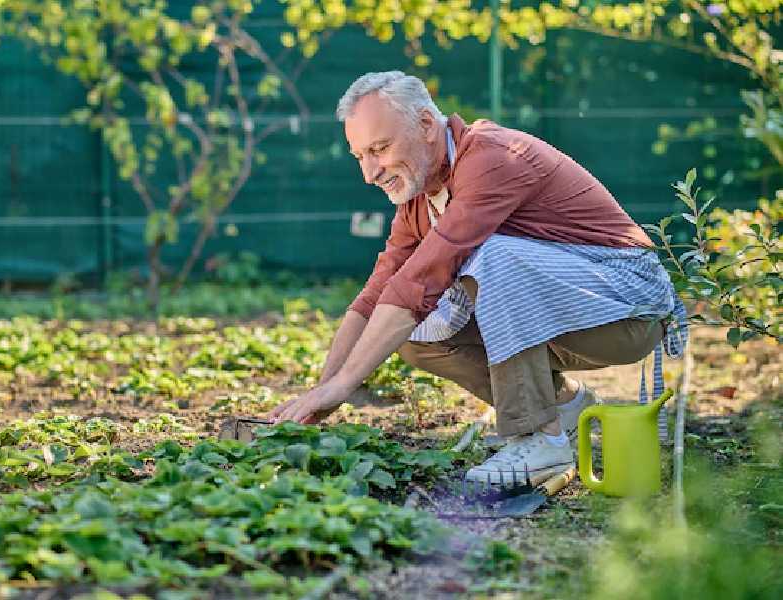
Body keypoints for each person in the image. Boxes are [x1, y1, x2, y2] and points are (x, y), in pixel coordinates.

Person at [268, 71, 685, 483]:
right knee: (413, 337)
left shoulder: (490, 159)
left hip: (626, 308)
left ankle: (541, 440)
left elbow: (420, 281)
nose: (369, 172)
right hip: (566, 313)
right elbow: (377, 294)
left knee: (494, 257)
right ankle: (563, 405)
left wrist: (344, 384)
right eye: (361, 156)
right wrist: (321, 394)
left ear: (427, 125)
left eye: (380, 148)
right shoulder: (419, 197)